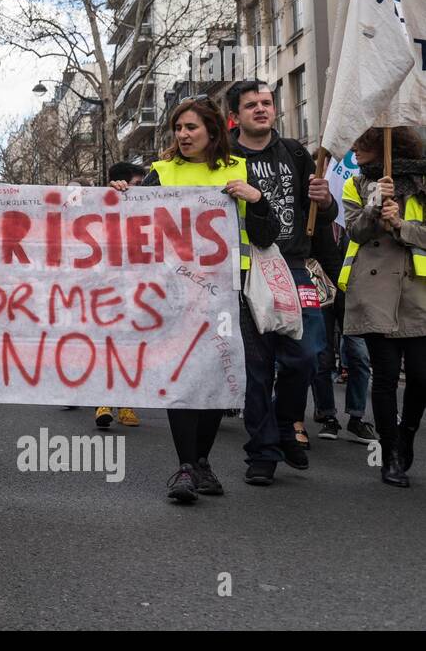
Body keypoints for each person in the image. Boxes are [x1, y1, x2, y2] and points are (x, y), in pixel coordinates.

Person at [110, 98, 278, 503]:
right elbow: (129, 230)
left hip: (227, 295)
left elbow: (266, 235)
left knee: (213, 379)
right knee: (182, 376)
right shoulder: (161, 174)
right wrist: (119, 197)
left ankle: (200, 461)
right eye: (179, 128)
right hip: (177, 294)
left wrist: (256, 200)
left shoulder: (238, 169)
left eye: (191, 128)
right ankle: (186, 467)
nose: (183, 135)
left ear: (213, 131)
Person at [225, 81, 334, 476]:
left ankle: (287, 425)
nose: (261, 109)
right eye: (251, 104)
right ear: (234, 115)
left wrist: (327, 201)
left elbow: (320, 214)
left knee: (307, 355)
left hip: (293, 265)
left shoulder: (295, 152)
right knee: (256, 367)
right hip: (245, 269)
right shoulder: (224, 156)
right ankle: (263, 453)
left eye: (267, 103)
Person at [339, 126, 426, 488]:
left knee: (421, 377)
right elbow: (355, 232)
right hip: (374, 290)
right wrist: (376, 203)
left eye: (361, 145)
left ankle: (406, 434)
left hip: (417, 291)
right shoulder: (356, 185)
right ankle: (391, 454)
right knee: (386, 377)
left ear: (381, 145)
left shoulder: (422, 182)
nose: (354, 151)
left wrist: (401, 225)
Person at [311, 220, 375, 443]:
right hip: (321, 288)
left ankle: (356, 418)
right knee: (323, 355)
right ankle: (328, 415)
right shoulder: (314, 211)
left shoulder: (357, 208)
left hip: (354, 292)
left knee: (359, 355)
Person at [93, 161, 146, 430]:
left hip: (135, 290)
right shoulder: (98, 206)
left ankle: (125, 403)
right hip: (104, 291)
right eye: (138, 185)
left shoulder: (146, 209)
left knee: (129, 346)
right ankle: (104, 401)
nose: (143, 190)